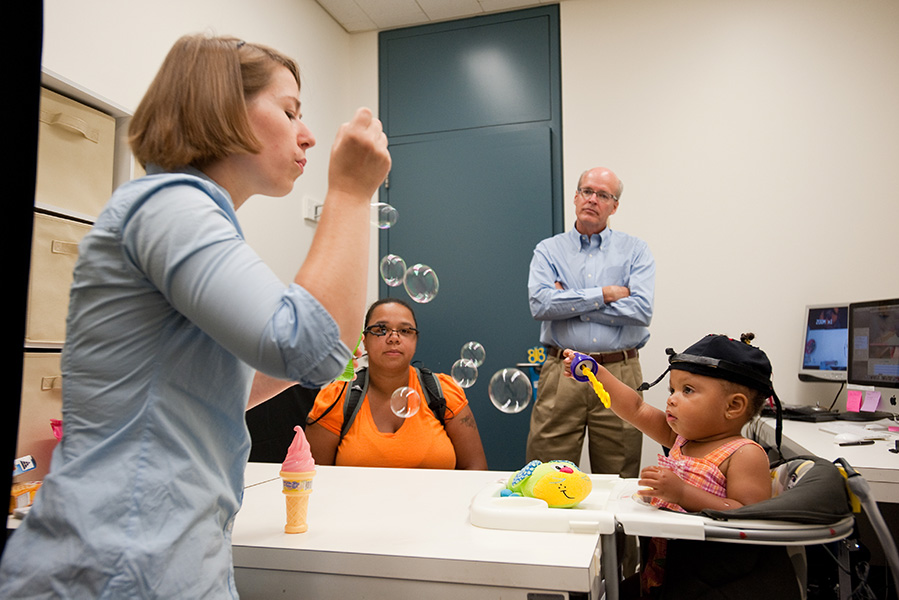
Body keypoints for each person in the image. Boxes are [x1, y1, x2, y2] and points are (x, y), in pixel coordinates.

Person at [0, 34, 391, 598]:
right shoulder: (168, 204)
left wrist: (316, 349)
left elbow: (211, 386)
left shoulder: (187, 215)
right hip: (121, 563)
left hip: (165, 556)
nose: (305, 134)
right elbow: (311, 347)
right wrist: (351, 191)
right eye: (289, 111)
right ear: (223, 109)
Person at [563, 333, 776, 598]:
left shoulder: (744, 455)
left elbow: (749, 518)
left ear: (733, 406)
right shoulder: (680, 439)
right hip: (661, 566)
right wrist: (597, 373)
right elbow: (636, 408)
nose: (672, 399)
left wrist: (683, 493)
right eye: (672, 390)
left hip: (708, 580)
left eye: (687, 390)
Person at [526, 166, 655, 478]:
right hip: (562, 371)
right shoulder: (549, 250)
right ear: (575, 196)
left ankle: (615, 531)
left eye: (603, 195)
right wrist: (605, 294)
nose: (593, 199)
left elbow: (641, 310)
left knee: (619, 474)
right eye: (587, 191)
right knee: (546, 472)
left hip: (620, 371)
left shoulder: (636, 250)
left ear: (614, 205)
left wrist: (571, 300)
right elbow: (540, 304)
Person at [305, 298, 488, 469]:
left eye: (405, 331)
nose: (393, 338)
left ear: (415, 341)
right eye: (380, 329)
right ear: (364, 341)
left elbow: (475, 469)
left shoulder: (444, 392)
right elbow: (315, 479)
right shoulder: (335, 397)